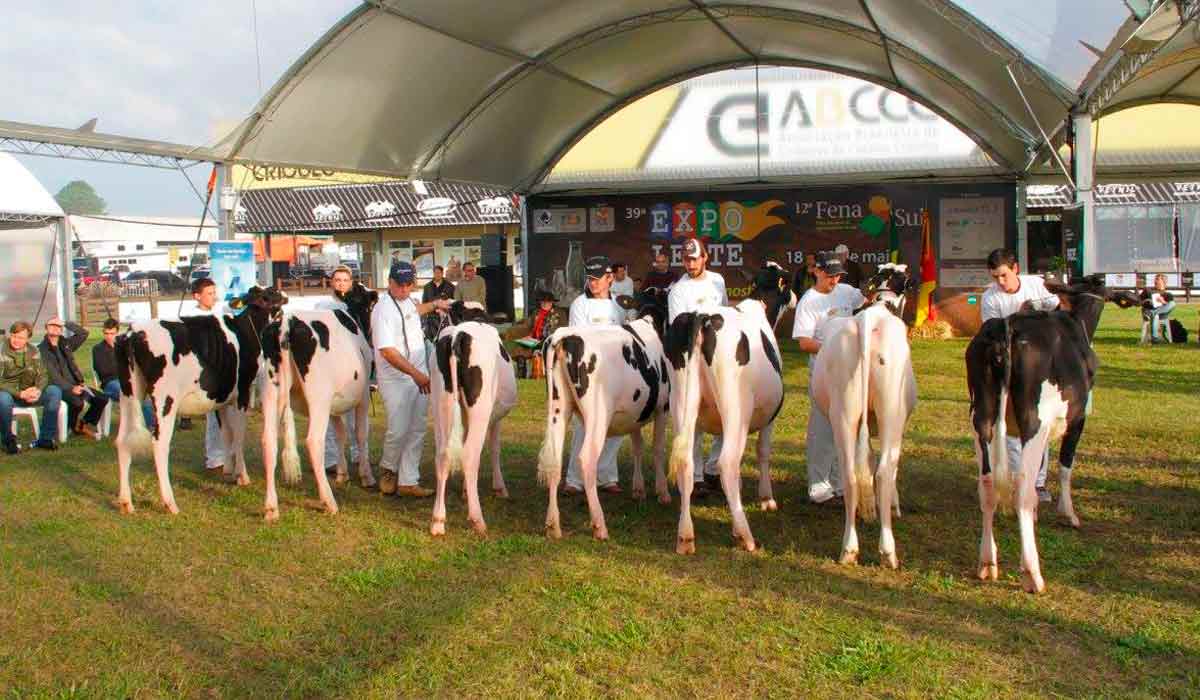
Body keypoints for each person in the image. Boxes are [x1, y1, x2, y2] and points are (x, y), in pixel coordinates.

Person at [980, 247, 1059, 504]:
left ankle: (1038, 482)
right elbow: (990, 332)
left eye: (1003, 275)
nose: (1000, 282)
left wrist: (1033, 307)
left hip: (1041, 366)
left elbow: (1057, 308)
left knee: (1038, 423)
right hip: (1009, 367)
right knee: (1010, 426)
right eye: (995, 278)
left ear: (1015, 269)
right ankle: (1017, 479)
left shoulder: (1037, 285)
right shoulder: (990, 298)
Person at [372, 260, 452, 497]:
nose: (405, 289)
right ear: (390, 282)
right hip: (396, 378)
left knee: (417, 427)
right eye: (400, 285)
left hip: (419, 375)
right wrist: (417, 375)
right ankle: (388, 469)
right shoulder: (382, 309)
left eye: (409, 284)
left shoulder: (407, 300)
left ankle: (408, 480)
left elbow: (414, 310)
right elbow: (387, 351)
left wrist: (436, 304)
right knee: (398, 429)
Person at [792, 252, 865, 504]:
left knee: (849, 427)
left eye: (838, 275)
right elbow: (803, 342)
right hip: (823, 371)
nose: (834, 280)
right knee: (823, 430)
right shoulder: (808, 302)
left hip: (851, 372)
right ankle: (819, 488)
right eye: (830, 275)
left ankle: (841, 484)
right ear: (817, 271)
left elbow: (867, 301)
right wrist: (833, 350)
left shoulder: (846, 291)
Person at [666, 238, 729, 492]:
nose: (690, 264)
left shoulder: (718, 281)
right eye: (686, 259)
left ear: (705, 258)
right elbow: (677, 329)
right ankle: (697, 475)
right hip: (691, 361)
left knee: (725, 412)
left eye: (695, 258)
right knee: (692, 416)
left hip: (721, 359)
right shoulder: (678, 291)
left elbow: (724, 315)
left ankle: (715, 467)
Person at [563, 256, 628, 495]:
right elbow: (578, 338)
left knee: (615, 425)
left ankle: (606, 476)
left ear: (609, 278)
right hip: (588, 373)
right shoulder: (580, 305)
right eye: (589, 278)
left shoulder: (618, 307)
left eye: (597, 278)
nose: (593, 283)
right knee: (584, 425)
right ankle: (575, 478)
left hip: (617, 371)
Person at [319, 266, 361, 473]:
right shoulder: (322, 306)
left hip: (352, 366)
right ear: (331, 282)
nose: (341, 283)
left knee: (355, 413)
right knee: (327, 413)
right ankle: (330, 459)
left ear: (351, 282)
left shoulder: (356, 305)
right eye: (338, 280)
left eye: (345, 280)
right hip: (329, 365)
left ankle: (357, 453)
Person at [38, 317, 107, 439]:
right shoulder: (42, 349)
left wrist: (65, 322)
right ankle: (71, 425)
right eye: (51, 324)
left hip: (77, 384)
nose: (55, 327)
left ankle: (82, 424)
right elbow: (53, 375)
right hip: (58, 387)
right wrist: (71, 388)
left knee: (101, 398)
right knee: (77, 402)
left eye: (58, 325)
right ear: (46, 328)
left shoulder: (66, 344)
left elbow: (83, 333)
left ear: (61, 329)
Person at [0, 321, 61, 453]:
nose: (16, 340)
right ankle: (8, 441)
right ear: (10, 335)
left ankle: (46, 438)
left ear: (28, 339)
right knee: (3, 399)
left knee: (54, 391)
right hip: (10, 394)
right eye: (14, 336)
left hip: (31, 393)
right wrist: (20, 394)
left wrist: (38, 390)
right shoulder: (1, 351)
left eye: (21, 338)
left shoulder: (34, 351)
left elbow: (43, 374)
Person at [186, 278, 226, 474]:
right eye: (209, 293)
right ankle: (214, 458)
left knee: (226, 414)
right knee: (214, 413)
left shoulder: (219, 313)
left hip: (222, 367)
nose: (214, 296)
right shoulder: (191, 318)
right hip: (203, 371)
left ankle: (225, 453)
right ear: (197, 296)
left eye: (214, 292)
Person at [93, 318, 156, 429]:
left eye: (112, 333)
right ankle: (147, 426)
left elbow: (134, 365)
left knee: (145, 395)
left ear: (117, 332)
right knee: (133, 395)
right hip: (110, 383)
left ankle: (152, 425)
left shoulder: (124, 346)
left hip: (128, 380)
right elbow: (102, 370)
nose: (109, 336)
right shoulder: (98, 349)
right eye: (106, 333)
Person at [1140, 273, 1176, 343]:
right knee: (1155, 316)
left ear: (1163, 281)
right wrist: (1147, 300)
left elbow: (1168, 306)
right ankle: (1155, 339)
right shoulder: (1148, 290)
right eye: (1155, 279)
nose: (1155, 281)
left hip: (1161, 314)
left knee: (1173, 303)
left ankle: (1153, 313)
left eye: (1157, 279)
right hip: (1149, 311)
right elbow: (1139, 301)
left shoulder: (1168, 294)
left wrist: (1163, 301)